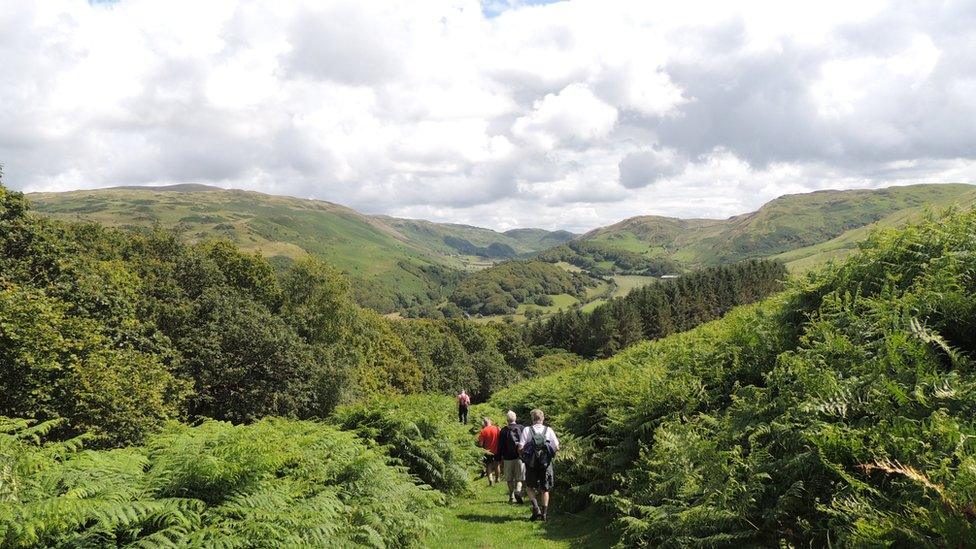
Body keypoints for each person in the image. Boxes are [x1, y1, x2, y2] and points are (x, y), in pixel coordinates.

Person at [518, 408, 559, 522]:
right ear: (543, 419)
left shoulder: (527, 430)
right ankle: (544, 514)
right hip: (545, 464)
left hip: (531, 464)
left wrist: (524, 457)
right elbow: (557, 447)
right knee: (545, 489)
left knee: (529, 487)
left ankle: (536, 508)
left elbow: (520, 447)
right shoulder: (548, 430)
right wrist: (549, 455)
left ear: (532, 419)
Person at [497, 410, 525, 504]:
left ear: (507, 419)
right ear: (515, 418)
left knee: (509, 479)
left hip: (507, 458)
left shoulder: (504, 430)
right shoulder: (521, 428)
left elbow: (500, 445)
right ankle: (518, 491)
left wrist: (499, 458)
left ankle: (512, 496)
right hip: (519, 457)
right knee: (519, 478)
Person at [477, 417, 502, 485]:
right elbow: (501, 438)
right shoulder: (497, 428)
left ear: (484, 423)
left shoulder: (483, 431)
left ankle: (490, 479)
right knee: (497, 465)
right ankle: (497, 478)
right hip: (496, 450)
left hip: (487, 451)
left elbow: (480, 443)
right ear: (490, 422)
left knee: (488, 465)